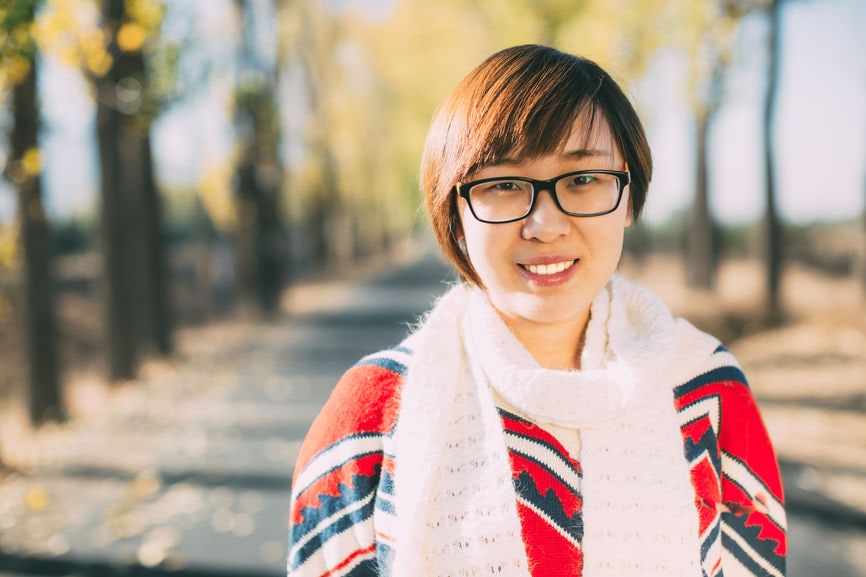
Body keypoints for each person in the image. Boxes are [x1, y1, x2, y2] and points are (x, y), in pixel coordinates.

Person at [286, 44, 786, 577]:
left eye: (583, 179)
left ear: (630, 199)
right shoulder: (373, 413)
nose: (545, 226)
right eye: (503, 184)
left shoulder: (707, 391)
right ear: (455, 212)